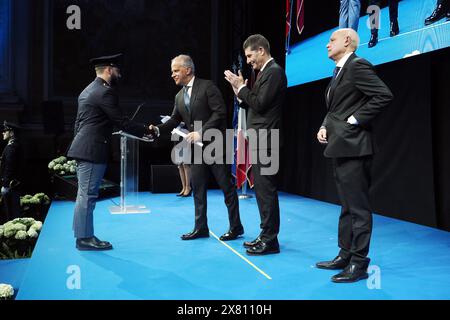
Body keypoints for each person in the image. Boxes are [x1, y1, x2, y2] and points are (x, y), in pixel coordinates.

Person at [316, 29, 393, 283]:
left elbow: (383, 95)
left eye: (331, 40)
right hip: (341, 146)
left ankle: (359, 263)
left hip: (355, 146)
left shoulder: (358, 66)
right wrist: (325, 125)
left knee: (358, 209)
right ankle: (345, 254)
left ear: (347, 41)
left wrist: (354, 120)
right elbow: (335, 107)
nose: (327, 45)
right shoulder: (339, 70)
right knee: (347, 206)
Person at [149, 55, 244, 241]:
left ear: (188, 70)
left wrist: (201, 132)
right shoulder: (178, 96)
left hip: (216, 145)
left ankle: (236, 227)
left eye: (176, 71)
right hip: (197, 150)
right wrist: (157, 130)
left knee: (227, 188)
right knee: (198, 188)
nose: (173, 75)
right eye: (172, 71)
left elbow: (220, 112)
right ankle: (201, 228)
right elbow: (175, 120)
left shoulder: (207, 87)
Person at [67, 53, 152, 251]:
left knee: (84, 194)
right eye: (117, 69)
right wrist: (147, 130)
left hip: (84, 148)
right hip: (92, 150)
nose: (119, 73)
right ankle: (84, 238)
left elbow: (78, 123)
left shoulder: (87, 90)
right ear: (108, 69)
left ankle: (81, 234)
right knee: (87, 195)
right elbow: (121, 121)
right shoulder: (105, 92)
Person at [224, 34, 287, 255]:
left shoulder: (275, 72)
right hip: (260, 138)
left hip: (267, 140)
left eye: (250, 55)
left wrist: (242, 88)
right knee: (261, 190)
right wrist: (239, 92)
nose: (249, 60)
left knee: (266, 191)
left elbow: (260, 104)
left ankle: (270, 240)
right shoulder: (264, 73)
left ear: (261, 50)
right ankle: (265, 233)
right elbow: (253, 104)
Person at [0, 121, 23, 224]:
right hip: (13, 184)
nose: (3, 133)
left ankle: (14, 239)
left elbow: (10, 167)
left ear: (12, 133)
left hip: (10, 185)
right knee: (13, 212)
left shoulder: (12, 147)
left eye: (5, 131)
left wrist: (5, 184)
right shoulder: (12, 145)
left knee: (12, 214)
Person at [172, 122, 192, 197]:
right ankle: (183, 187)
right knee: (179, 164)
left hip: (186, 136)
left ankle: (188, 187)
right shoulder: (177, 112)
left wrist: (182, 123)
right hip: (177, 136)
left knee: (185, 163)